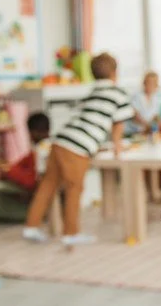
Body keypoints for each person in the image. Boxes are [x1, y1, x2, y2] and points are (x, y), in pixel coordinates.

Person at [23, 53, 133, 246]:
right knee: (75, 188)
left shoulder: (91, 93)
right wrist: (118, 150)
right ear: (115, 73)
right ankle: (71, 233)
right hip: (78, 147)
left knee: (48, 184)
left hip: (60, 141)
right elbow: (118, 126)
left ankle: (31, 227)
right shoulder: (118, 94)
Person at [0, 113, 51, 224]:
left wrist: (7, 170)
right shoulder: (42, 149)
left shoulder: (42, 152)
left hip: (40, 195)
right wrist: (7, 169)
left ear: (32, 133)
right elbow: (19, 165)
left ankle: (38, 213)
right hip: (36, 191)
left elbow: (32, 181)